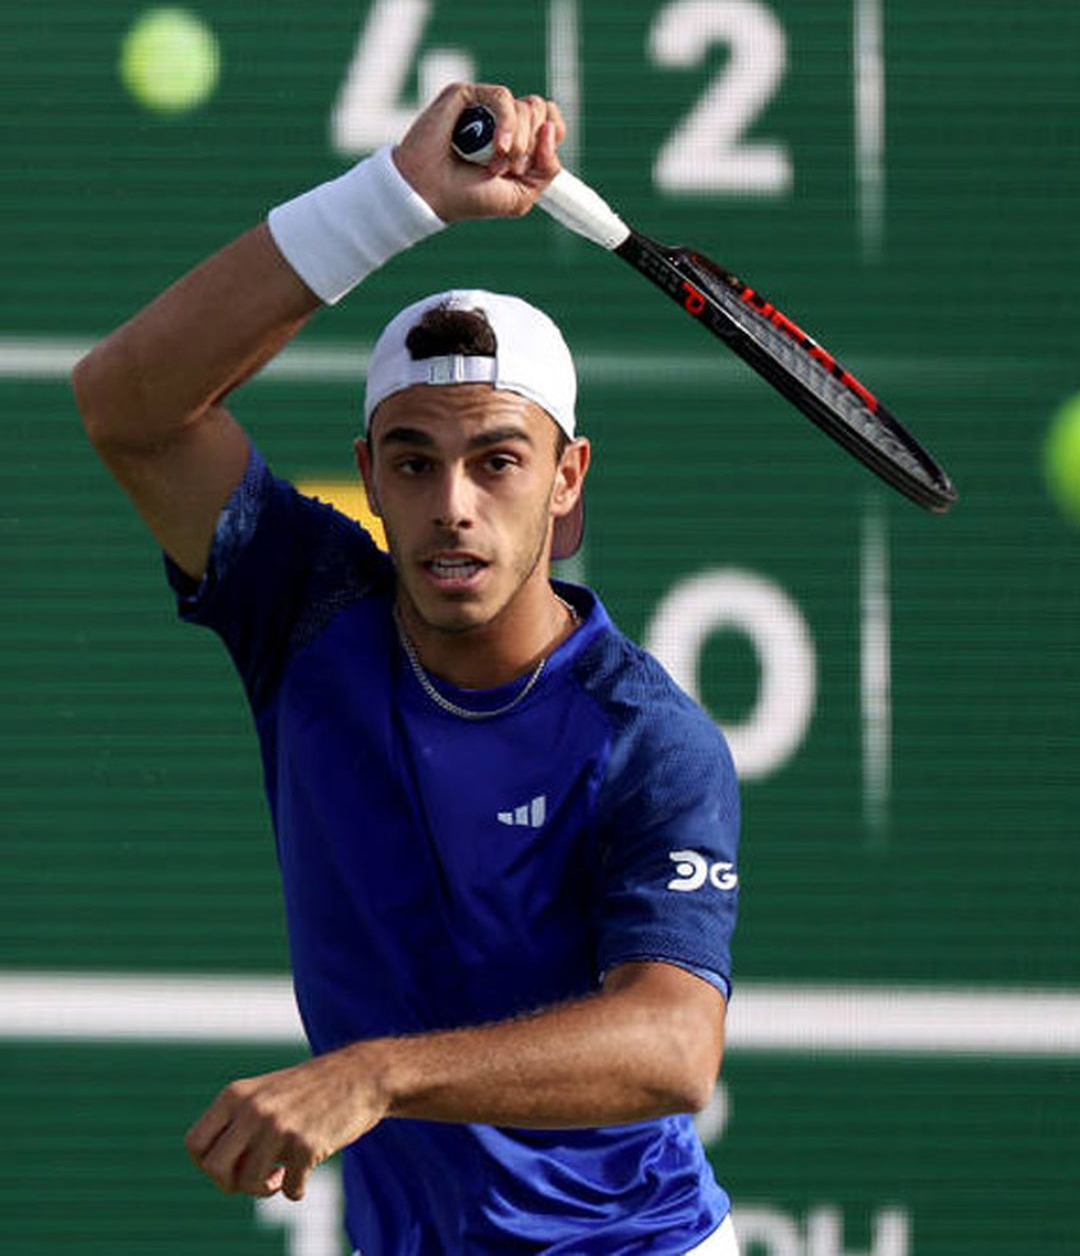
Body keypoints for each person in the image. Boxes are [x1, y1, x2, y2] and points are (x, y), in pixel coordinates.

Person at [72, 82, 741, 1254]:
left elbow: (671, 1047)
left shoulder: (648, 734)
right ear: (368, 474)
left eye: (498, 462)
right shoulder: (308, 607)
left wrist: (375, 1076)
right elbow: (127, 402)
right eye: (415, 463)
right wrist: (395, 201)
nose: (454, 508)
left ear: (568, 479)